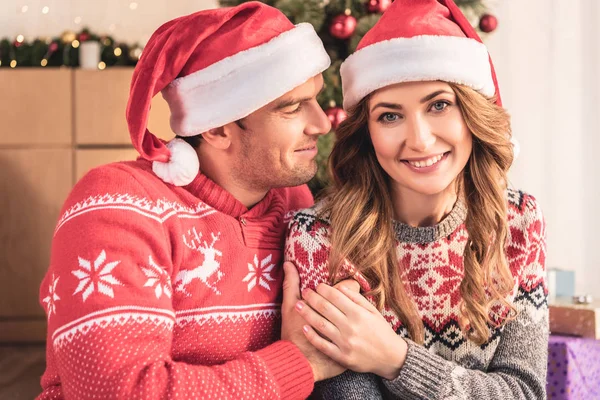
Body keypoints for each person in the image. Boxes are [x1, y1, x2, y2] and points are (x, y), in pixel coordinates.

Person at [37, 2, 346, 399]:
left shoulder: (292, 202)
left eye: (316, 98)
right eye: (291, 107)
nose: (322, 123)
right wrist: (296, 364)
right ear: (217, 128)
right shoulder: (118, 205)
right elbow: (115, 392)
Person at [285, 0, 548, 399]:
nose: (420, 140)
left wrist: (395, 358)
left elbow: (524, 392)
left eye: (439, 105)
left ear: (472, 114)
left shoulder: (517, 220)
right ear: (366, 133)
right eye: (390, 116)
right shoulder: (319, 237)